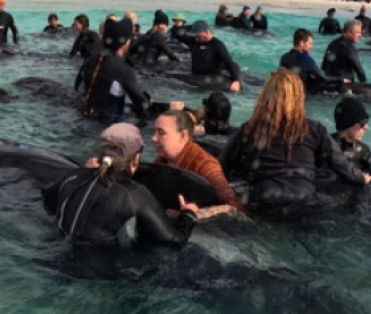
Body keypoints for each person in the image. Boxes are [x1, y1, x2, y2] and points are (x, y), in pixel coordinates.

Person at [221, 69, 369, 206]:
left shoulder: (249, 129)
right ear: (299, 98)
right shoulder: (314, 129)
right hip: (303, 198)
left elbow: (221, 166)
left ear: (265, 97)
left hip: (264, 198)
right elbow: (340, 164)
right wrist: (362, 178)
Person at [41, 123, 199, 247]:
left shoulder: (73, 176)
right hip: (96, 276)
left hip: (56, 254)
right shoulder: (135, 194)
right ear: (136, 159)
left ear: (100, 154)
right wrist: (188, 215)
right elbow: (174, 241)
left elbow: (47, 198)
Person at [152, 109, 242, 213]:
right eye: (154, 132)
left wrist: (197, 214)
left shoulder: (205, 165)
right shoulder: (161, 161)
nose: (153, 138)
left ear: (182, 136)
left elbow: (235, 207)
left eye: (161, 133)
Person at [76, 18, 150, 121]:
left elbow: (77, 87)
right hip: (107, 128)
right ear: (126, 42)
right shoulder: (124, 70)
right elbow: (143, 104)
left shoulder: (89, 61)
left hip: (83, 118)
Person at [179, 21, 242, 93]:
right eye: (195, 35)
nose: (196, 37)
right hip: (196, 80)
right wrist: (192, 27)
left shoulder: (217, 44)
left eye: (198, 35)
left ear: (206, 32)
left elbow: (228, 62)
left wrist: (236, 81)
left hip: (211, 81)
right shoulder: (194, 41)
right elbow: (178, 32)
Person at [279, 28, 343, 94]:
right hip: (303, 94)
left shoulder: (284, 57)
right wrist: (340, 79)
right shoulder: (304, 58)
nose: (311, 46)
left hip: (287, 92)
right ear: (301, 43)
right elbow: (323, 77)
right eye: (310, 43)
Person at [331, 97, 371, 174]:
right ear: (348, 125)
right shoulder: (324, 147)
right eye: (362, 123)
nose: (366, 127)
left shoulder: (363, 151)